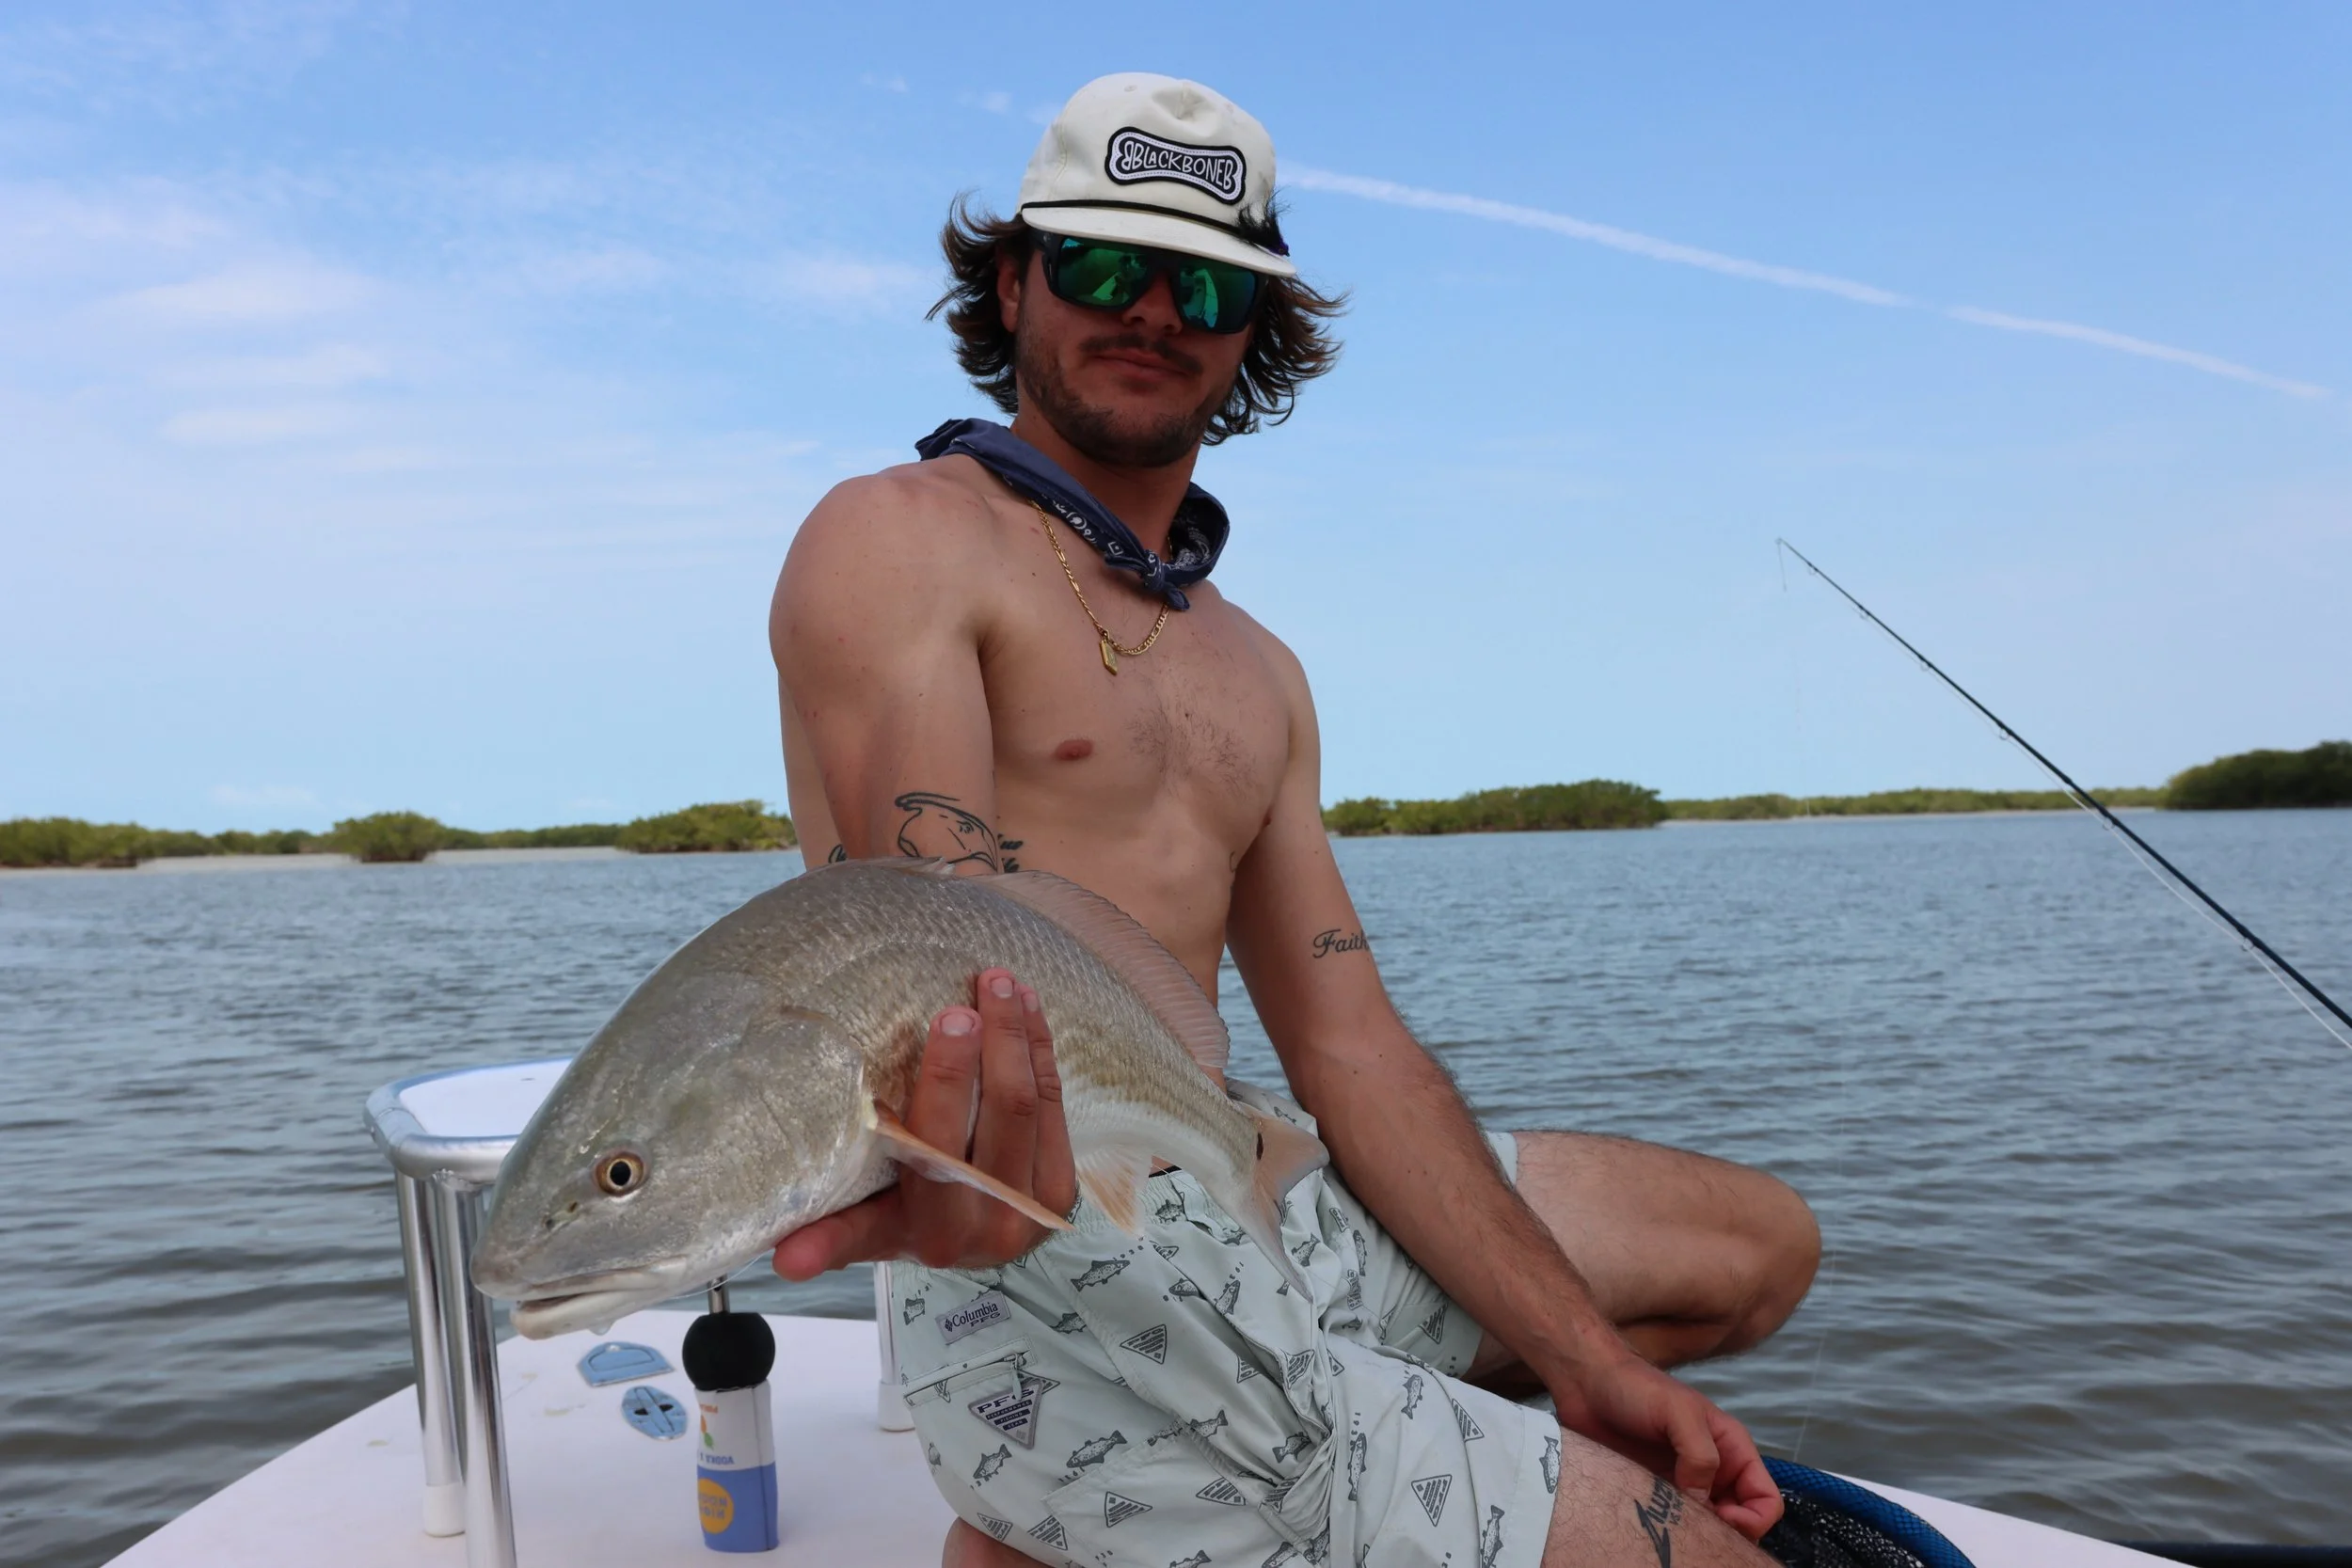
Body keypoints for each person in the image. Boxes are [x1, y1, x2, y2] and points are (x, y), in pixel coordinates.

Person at [768, 72, 1818, 1568]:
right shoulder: (906, 538)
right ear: (1012, 281)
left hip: (1247, 1184)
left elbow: (1349, 1049)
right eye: (1104, 263)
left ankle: (1141, 1522)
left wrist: (1584, 1360)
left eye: (1203, 282)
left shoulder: (1256, 670)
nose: (1153, 311)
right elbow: (930, 961)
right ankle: (1094, 1503)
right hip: (1053, 1267)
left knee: (1750, 1252)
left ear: (1254, 331)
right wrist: (957, 1167)